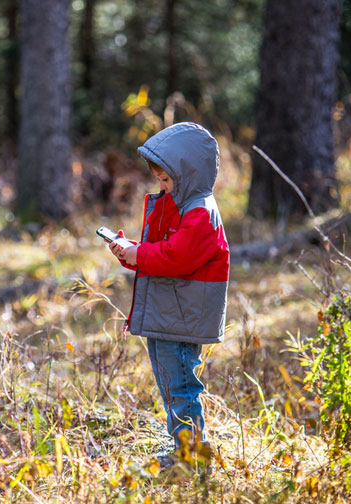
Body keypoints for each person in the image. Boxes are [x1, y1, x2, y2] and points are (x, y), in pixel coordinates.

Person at [108, 122, 230, 453]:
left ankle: (191, 453)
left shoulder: (200, 213)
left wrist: (140, 254)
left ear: (188, 172)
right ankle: (181, 446)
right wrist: (131, 252)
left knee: (181, 386)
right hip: (170, 313)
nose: (162, 187)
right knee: (169, 383)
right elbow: (163, 252)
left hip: (181, 317)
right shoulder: (181, 206)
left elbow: (177, 257)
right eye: (159, 180)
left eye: (166, 179)